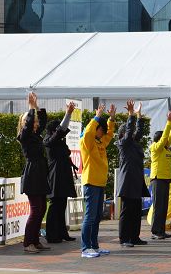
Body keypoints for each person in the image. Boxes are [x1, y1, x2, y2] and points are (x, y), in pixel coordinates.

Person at [79, 103, 116, 258]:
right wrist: (97, 116)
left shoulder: (100, 142)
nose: (103, 133)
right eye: (101, 130)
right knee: (90, 216)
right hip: (91, 183)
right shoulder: (87, 142)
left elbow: (109, 135)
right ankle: (85, 248)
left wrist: (111, 118)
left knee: (97, 216)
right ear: (96, 129)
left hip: (99, 184)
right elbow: (88, 132)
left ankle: (94, 245)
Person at [16, 92, 51, 254]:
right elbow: (29, 124)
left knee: (42, 208)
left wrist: (36, 107)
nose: (36, 124)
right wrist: (30, 109)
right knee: (36, 209)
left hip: (40, 174)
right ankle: (27, 243)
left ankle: (35, 240)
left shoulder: (36, 136)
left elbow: (43, 121)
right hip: (32, 175)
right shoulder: (24, 136)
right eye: (32, 121)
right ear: (23, 123)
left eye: (35, 122)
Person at [115, 100, 150, 248]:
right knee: (127, 211)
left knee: (136, 211)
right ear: (123, 134)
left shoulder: (134, 143)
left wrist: (139, 115)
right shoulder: (123, 143)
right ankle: (124, 238)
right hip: (128, 181)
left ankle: (135, 237)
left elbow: (139, 131)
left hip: (136, 181)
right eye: (129, 132)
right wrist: (130, 115)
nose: (133, 133)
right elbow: (130, 131)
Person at [44, 101, 78, 243]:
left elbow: (62, 130)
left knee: (62, 204)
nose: (63, 133)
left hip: (63, 175)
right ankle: (52, 235)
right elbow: (61, 129)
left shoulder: (58, 141)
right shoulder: (49, 140)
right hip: (56, 176)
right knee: (55, 205)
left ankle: (62, 232)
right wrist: (68, 114)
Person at [150, 111, 171, 240]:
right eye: (163, 138)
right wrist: (168, 122)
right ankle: (156, 231)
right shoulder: (155, 147)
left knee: (164, 206)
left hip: (165, 179)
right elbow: (164, 139)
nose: (166, 140)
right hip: (157, 179)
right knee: (158, 206)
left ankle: (161, 230)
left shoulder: (166, 148)